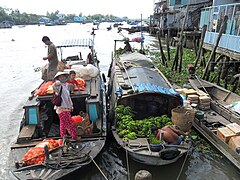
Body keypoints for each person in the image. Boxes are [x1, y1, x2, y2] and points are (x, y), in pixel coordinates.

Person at [52, 71, 80, 141]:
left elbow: (68, 98)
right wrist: (56, 83)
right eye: (60, 77)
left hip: (66, 108)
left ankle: (63, 136)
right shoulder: (58, 86)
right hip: (62, 109)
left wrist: (71, 107)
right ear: (58, 78)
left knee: (63, 124)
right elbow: (54, 86)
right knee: (70, 124)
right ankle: (74, 137)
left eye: (63, 76)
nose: (63, 78)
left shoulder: (65, 85)